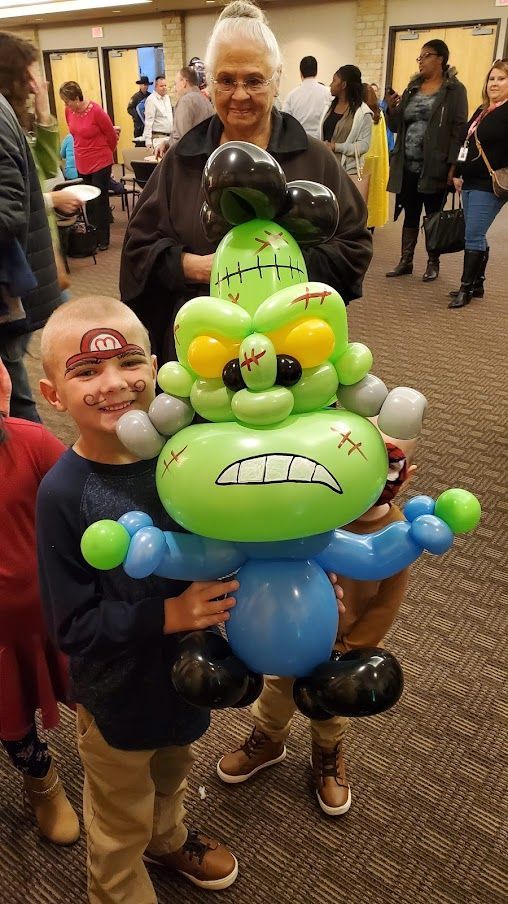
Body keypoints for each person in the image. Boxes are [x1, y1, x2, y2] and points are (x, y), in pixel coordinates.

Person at [36, 295, 240, 901]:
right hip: (118, 697)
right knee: (118, 815)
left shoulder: (186, 456)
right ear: (53, 395)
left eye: (129, 363)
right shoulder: (63, 494)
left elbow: (235, 537)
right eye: (86, 371)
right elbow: (71, 627)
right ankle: (119, 884)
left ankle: (168, 837)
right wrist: (168, 614)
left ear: (157, 366)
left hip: (192, 676)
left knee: (174, 771)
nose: (114, 383)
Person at [120, 0, 372, 366]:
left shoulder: (314, 158)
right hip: (205, 355)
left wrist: (274, 272)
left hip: (296, 348)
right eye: (226, 80)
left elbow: (354, 247)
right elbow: (137, 253)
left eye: (254, 80)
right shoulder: (183, 160)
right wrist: (193, 266)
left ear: (277, 78)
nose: (239, 95)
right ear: (209, 83)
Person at [216, 433, 417, 815]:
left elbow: (387, 602)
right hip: (289, 635)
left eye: (389, 466)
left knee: (328, 710)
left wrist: (354, 646)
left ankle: (327, 755)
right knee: (275, 694)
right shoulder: (317, 515)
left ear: (406, 476)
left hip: (342, 646)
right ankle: (269, 739)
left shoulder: (396, 532)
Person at [0, 359, 79, 846]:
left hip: (52, 612)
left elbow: (86, 501)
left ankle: (116, 755)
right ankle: (41, 781)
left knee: (90, 686)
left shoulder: (29, 441)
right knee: (9, 712)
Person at [0, 33, 62, 422]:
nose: (34, 83)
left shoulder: (5, 116)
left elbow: (47, 167)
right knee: (15, 387)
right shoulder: (8, 114)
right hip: (31, 271)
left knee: (14, 397)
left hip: (21, 278)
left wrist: (42, 110)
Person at [385, 40, 468, 283]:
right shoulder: (413, 87)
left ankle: (433, 262)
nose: (420, 60)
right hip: (407, 165)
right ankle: (406, 261)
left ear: (441, 59)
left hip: (436, 166)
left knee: (433, 215)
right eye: (419, 57)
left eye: (426, 56)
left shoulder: (454, 90)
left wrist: (453, 167)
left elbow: (459, 130)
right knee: (410, 213)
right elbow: (396, 125)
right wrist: (391, 109)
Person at [448, 59, 508, 308]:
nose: (494, 83)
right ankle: (478, 283)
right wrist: (458, 172)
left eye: (501, 79)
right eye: (491, 79)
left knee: (473, 234)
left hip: (490, 183)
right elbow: (466, 144)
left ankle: (466, 288)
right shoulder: (483, 110)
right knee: (476, 233)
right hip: (470, 180)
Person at [59, 80, 118, 252]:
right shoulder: (69, 111)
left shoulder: (96, 111)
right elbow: (74, 134)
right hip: (82, 161)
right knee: (88, 201)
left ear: (77, 98)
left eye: (68, 101)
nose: (66, 105)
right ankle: (91, 236)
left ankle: (103, 239)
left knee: (100, 200)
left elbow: (111, 136)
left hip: (100, 161)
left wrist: (106, 153)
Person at [320, 64, 373, 190]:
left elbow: (364, 145)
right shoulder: (329, 107)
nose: (330, 84)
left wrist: (336, 146)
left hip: (348, 171)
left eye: (334, 80)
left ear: (343, 85)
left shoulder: (363, 113)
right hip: (327, 167)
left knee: (344, 207)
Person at [157, 66, 213, 156]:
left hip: (186, 163)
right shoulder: (206, 101)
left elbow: (182, 140)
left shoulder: (185, 101)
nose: (175, 88)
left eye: (176, 84)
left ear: (184, 82)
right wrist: (167, 143)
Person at [282, 55, 331, 139]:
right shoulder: (328, 92)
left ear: (301, 72)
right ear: (316, 71)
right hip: (322, 142)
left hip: (298, 140)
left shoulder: (292, 95)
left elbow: (284, 121)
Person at [362, 83, 389, 231]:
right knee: (373, 194)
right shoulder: (379, 114)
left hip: (362, 159)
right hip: (376, 160)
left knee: (361, 194)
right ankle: (371, 226)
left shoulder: (361, 113)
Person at [142, 75, 173, 149]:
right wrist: (148, 141)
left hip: (169, 138)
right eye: (161, 86)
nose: (164, 87)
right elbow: (148, 122)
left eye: (165, 85)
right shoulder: (151, 100)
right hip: (158, 138)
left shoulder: (167, 98)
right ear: (155, 87)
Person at [127, 74, 152, 139]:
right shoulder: (135, 97)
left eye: (146, 85)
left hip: (148, 125)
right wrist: (137, 116)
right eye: (144, 85)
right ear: (140, 85)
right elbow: (129, 109)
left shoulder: (151, 96)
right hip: (139, 126)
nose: (145, 87)